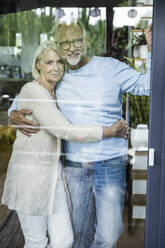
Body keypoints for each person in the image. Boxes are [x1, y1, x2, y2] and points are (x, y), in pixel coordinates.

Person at [9, 21, 152, 248]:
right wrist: (13, 114)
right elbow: (23, 101)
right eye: (65, 43)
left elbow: (147, 86)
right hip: (75, 166)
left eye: (76, 40)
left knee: (107, 236)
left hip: (110, 162)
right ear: (58, 45)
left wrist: (152, 49)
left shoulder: (110, 67)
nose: (71, 48)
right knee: (78, 235)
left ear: (85, 42)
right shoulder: (57, 74)